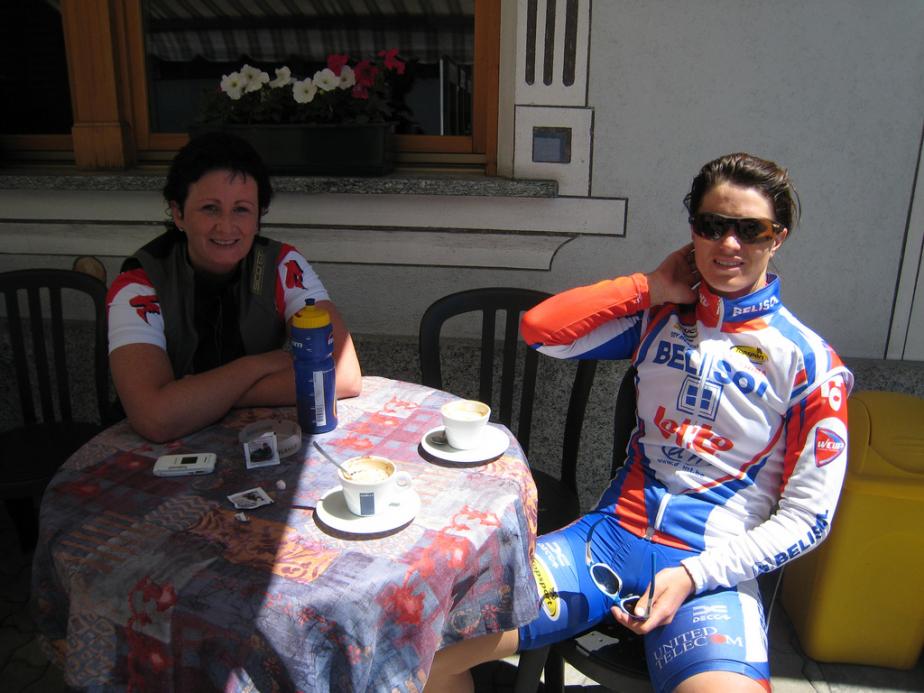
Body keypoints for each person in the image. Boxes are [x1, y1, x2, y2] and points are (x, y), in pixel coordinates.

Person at [425, 153, 853, 692]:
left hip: (711, 572)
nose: (729, 243)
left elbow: (809, 518)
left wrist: (695, 574)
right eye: (712, 225)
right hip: (606, 542)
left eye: (751, 230)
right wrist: (648, 286)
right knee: (425, 645)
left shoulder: (810, 363)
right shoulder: (659, 318)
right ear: (693, 231)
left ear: (778, 238)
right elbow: (540, 330)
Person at [106, 132, 362, 442]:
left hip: (254, 441)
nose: (226, 226)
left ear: (258, 217)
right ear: (178, 214)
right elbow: (155, 419)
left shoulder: (282, 265)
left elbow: (343, 374)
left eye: (241, 209)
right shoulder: (139, 284)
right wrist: (259, 366)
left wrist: (199, 397)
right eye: (210, 208)